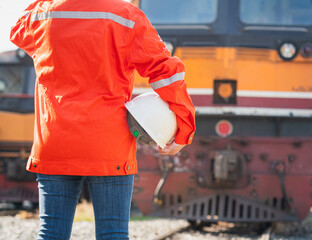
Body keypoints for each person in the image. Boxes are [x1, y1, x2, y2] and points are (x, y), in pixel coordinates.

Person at [10, 0, 195, 239]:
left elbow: (17, 31)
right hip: (108, 145)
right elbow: (166, 70)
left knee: (50, 232)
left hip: (55, 142)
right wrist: (184, 126)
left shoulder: (42, 13)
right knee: (113, 233)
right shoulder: (127, 16)